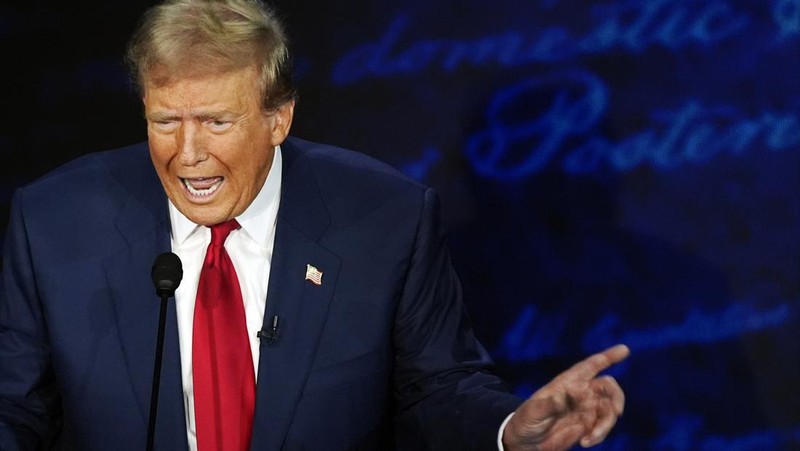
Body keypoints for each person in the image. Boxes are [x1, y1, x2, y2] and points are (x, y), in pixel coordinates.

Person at [0, 0, 628, 449]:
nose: (186, 154)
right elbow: (14, 408)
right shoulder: (54, 222)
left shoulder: (386, 219)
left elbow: (437, 387)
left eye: (217, 122)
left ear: (279, 118)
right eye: (166, 121)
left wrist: (507, 431)